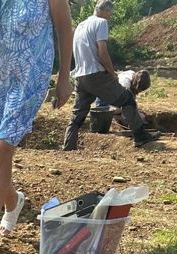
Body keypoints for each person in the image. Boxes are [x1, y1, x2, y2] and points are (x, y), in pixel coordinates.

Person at [0, 0, 73, 254]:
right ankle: (13, 200)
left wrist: (64, 77)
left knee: (1, 151)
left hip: (31, 74)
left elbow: (64, 27)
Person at [63, 1, 160, 151]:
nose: (111, 17)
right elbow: (102, 52)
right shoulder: (101, 23)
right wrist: (111, 73)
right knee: (127, 99)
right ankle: (140, 137)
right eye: (111, 13)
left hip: (80, 77)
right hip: (96, 75)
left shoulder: (81, 25)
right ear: (106, 11)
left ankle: (68, 146)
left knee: (77, 116)